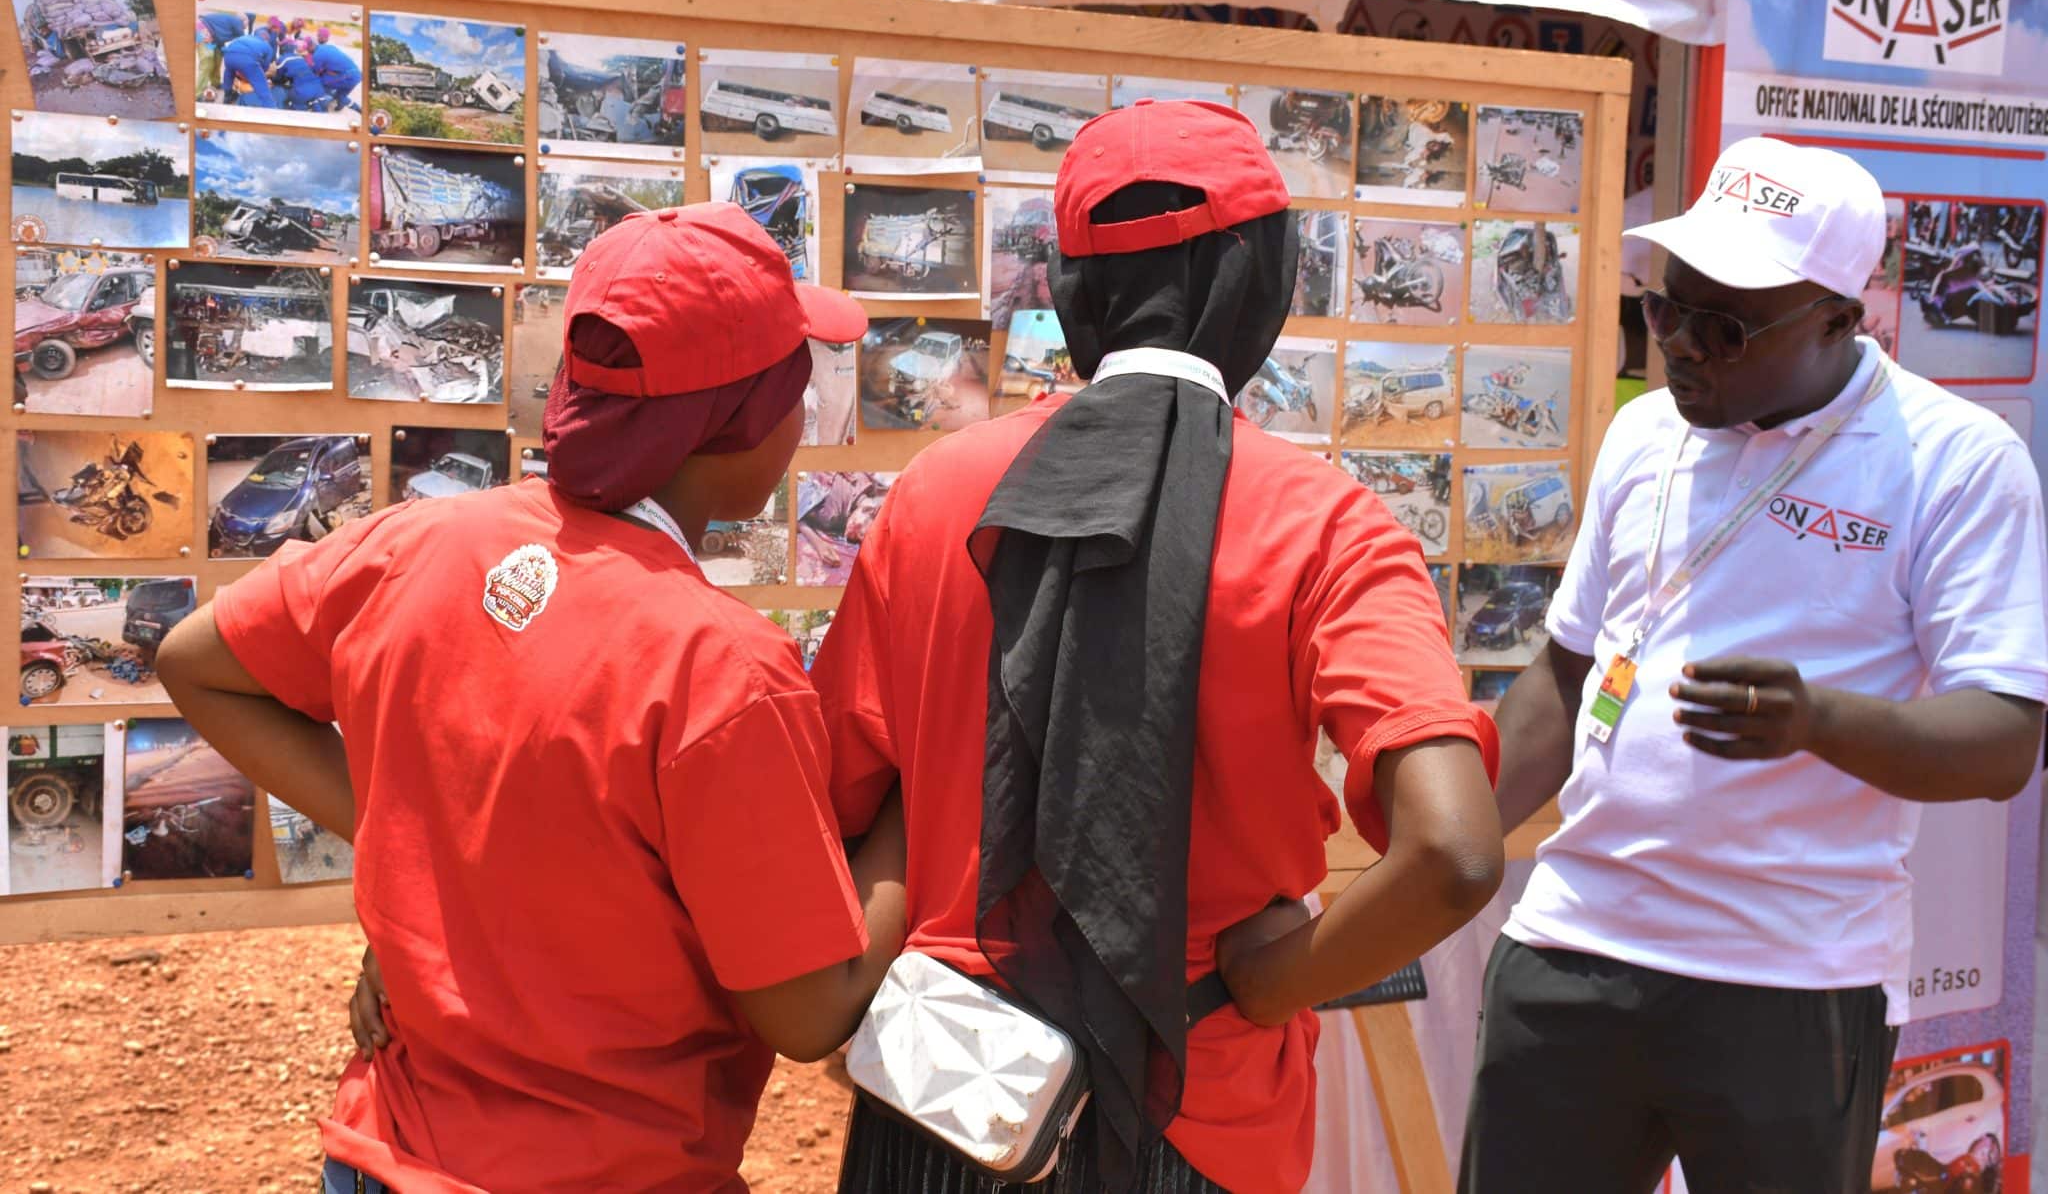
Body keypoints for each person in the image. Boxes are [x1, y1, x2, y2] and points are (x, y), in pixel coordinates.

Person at [814, 99, 1504, 1194]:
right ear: (1263, 283)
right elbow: (1455, 852)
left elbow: (843, 789)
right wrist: (1278, 984)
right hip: (1199, 1111)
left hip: (948, 1098)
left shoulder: (934, 495)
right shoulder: (1323, 524)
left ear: (1074, 293)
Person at [156, 203, 906, 1194]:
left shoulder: (418, 543)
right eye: (798, 385)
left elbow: (193, 661)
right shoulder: (719, 666)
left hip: (388, 1151)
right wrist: (911, 804)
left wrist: (404, 834)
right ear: (744, 421)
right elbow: (809, 1013)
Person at [1464, 137, 2048, 1194]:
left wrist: (1817, 721)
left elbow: (2003, 739)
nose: (1681, 345)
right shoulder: (1644, 435)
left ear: (1839, 317)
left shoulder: (1954, 460)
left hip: (1788, 979)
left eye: (1721, 325)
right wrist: (1435, 849)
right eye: (1661, 309)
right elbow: (1563, 676)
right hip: (1570, 946)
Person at [217, 25, 280, 108]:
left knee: (228, 73)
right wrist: (257, 74)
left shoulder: (245, 37)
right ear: (267, 40)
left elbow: (231, 45)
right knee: (261, 85)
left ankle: (227, 96)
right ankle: (270, 107)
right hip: (247, 59)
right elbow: (265, 66)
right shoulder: (267, 46)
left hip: (228, 55)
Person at [310, 35, 363, 111]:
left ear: (311, 47)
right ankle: (351, 108)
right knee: (341, 95)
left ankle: (323, 105)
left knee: (322, 83)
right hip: (357, 74)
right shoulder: (330, 47)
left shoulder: (317, 55)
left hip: (347, 76)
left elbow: (315, 72)